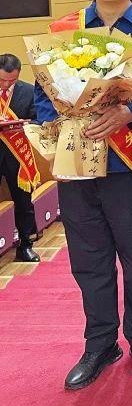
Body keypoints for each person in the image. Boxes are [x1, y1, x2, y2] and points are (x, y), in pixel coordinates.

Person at [35, 0, 132, 389]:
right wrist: (59, 122)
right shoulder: (64, 31)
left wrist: (131, 112)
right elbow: (44, 95)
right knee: (89, 259)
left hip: (129, 166)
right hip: (77, 165)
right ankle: (99, 343)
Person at [0, 54, 41, 262]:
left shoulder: (29, 91)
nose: (6, 85)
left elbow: (38, 120)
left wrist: (25, 125)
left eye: (12, 81)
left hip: (17, 155)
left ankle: (25, 245)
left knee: (23, 202)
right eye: (2, 80)